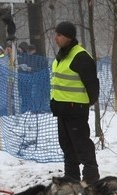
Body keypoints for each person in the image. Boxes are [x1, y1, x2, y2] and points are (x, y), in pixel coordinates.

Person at [50, 21, 100, 183]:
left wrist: (84, 103)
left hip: (76, 110)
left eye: (59, 35)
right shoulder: (62, 55)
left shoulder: (81, 57)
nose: (55, 38)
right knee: (67, 145)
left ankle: (91, 178)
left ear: (69, 37)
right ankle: (71, 177)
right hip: (62, 110)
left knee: (81, 144)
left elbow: (93, 85)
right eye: (56, 34)